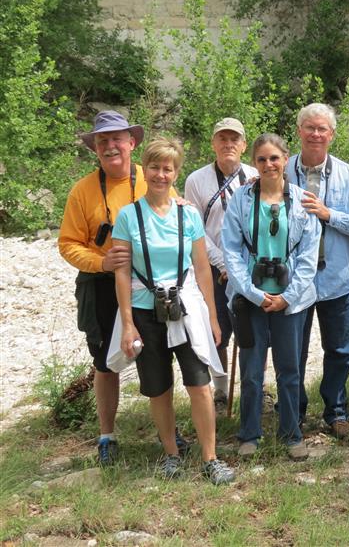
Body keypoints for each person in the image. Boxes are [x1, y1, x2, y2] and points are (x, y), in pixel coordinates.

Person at [110, 137, 234, 485]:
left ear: (176, 172)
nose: (161, 174)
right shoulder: (128, 217)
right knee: (158, 386)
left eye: (168, 168)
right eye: (155, 167)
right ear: (145, 170)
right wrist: (127, 325)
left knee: (200, 384)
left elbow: (202, 268)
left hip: (186, 307)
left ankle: (210, 457)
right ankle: (171, 454)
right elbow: (121, 272)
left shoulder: (188, 213)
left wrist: (212, 316)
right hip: (144, 309)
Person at [221, 133, 320, 459]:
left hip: (291, 302)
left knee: (289, 369)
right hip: (251, 300)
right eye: (261, 159)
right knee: (251, 371)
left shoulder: (303, 201)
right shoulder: (241, 200)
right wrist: (252, 292)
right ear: (255, 162)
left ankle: (291, 433)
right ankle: (250, 432)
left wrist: (287, 296)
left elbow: (308, 257)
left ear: (285, 159)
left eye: (274, 158)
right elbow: (231, 250)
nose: (268, 165)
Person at [59, 110, 149, 465]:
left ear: (132, 142)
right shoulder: (82, 191)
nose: (110, 146)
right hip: (100, 284)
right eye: (102, 141)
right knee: (104, 363)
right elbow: (68, 243)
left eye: (117, 139)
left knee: (155, 353)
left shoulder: (152, 177)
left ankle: (166, 428)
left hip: (147, 282)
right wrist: (100, 262)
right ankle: (107, 435)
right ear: (95, 148)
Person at [286, 103, 349, 438]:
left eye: (322, 129)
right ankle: (293, 411)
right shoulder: (282, 172)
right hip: (293, 281)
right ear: (299, 131)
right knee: (292, 350)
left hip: (337, 279)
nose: (316, 134)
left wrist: (328, 214)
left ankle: (336, 411)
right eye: (310, 127)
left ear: (332, 135)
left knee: (338, 350)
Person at [184, 117, 258, 413]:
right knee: (216, 330)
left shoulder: (255, 174)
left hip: (250, 266)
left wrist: (240, 265)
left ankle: (257, 388)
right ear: (213, 143)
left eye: (234, 139)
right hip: (211, 267)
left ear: (243, 145)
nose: (228, 144)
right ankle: (220, 389)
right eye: (222, 139)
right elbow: (194, 230)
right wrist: (223, 262)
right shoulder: (196, 180)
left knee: (252, 330)